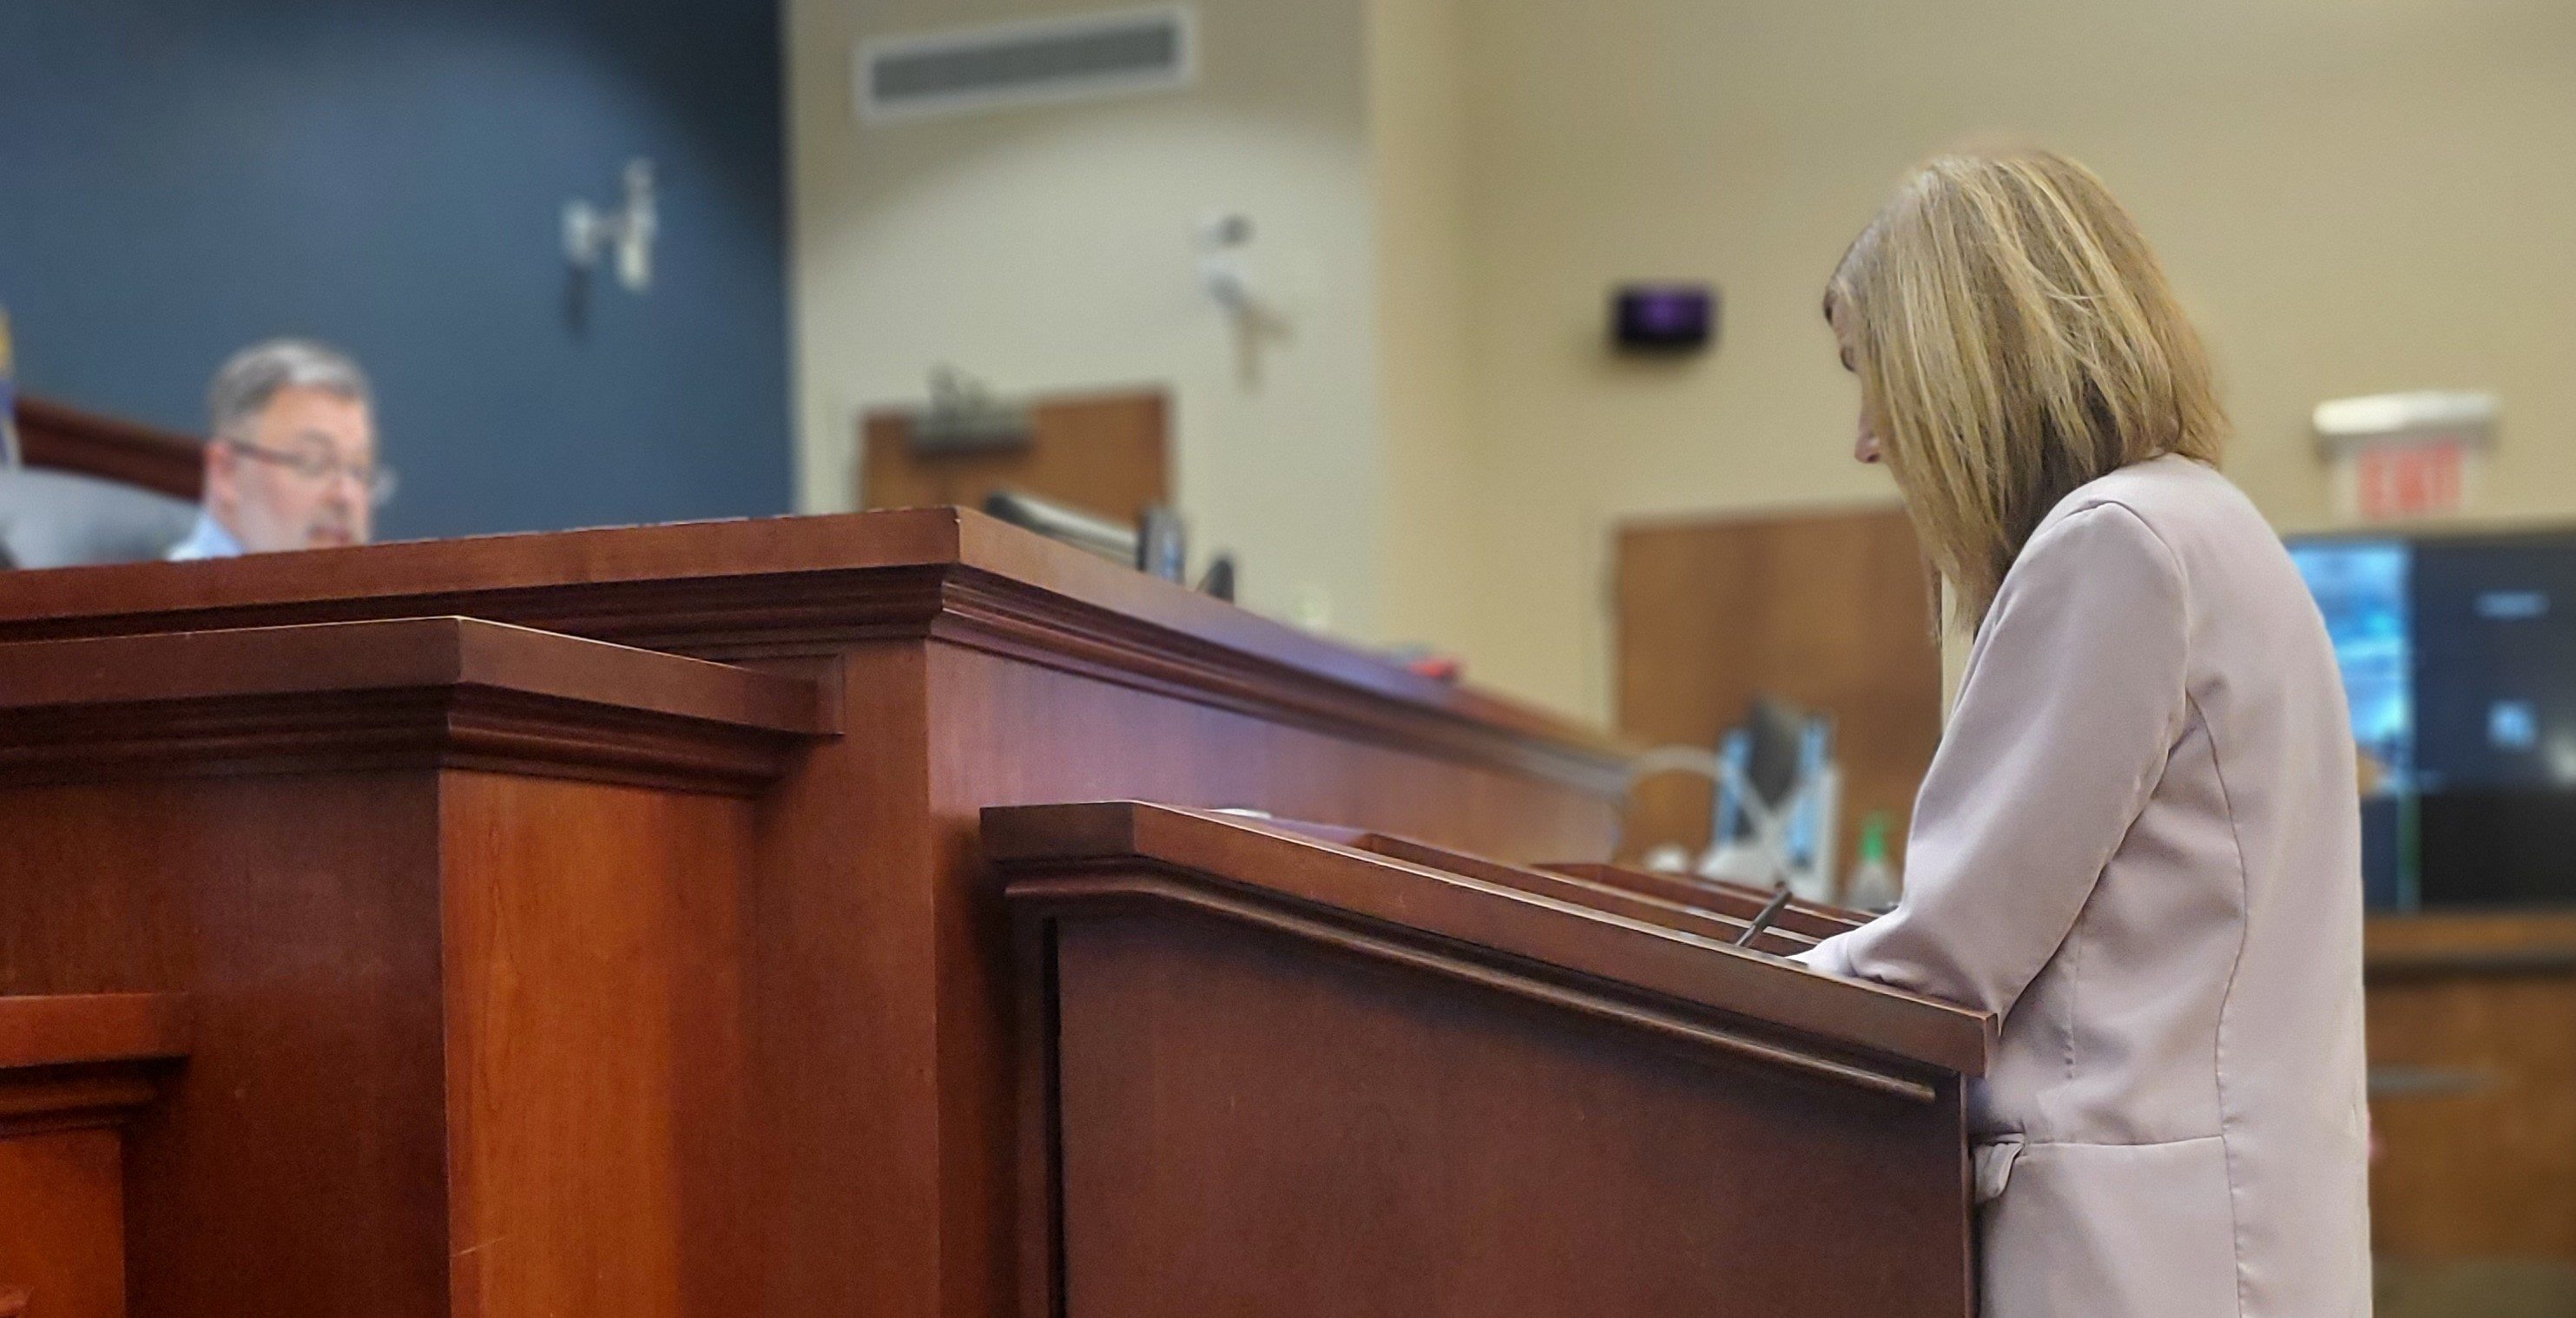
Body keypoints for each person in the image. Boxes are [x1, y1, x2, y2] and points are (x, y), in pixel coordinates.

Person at [1795, 148, 2368, 1318]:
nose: (1865, 437)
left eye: (1873, 375)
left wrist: (1704, 998)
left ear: (1961, 363)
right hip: (2217, 1230)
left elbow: (1947, 958)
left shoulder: (2112, 544)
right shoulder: (2201, 518)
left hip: (2147, 1257)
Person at [168, 338, 390, 559]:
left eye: (360, 471)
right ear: (226, 471)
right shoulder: (158, 593)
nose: (346, 496)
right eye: (313, 462)